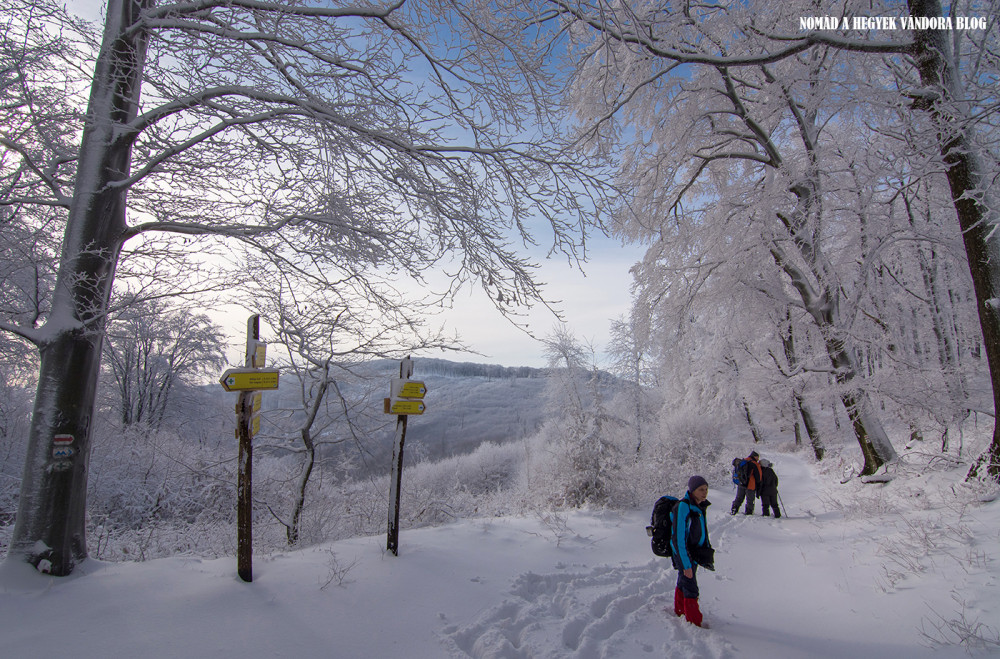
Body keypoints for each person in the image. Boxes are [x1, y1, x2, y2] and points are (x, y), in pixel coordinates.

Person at [670, 475, 714, 628]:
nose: (705, 493)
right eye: (701, 489)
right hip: (684, 554)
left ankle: (680, 609)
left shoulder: (699, 506)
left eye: (706, 489)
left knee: (684, 581)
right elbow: (678, 538)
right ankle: (694, 621)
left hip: (694, 553)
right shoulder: (683, 507)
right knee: (691, 587)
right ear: (692, 490)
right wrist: (685, 564)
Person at [730, 451, 763, 515]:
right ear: (755, 457)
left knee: (739, 498)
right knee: (750, 500)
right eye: (757, 457)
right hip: (750, 484)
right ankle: (749, 512)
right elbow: (759, 477)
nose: (758, 459)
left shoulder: (742, 461)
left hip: (741, 483)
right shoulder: (755, 464)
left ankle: (734, 509)